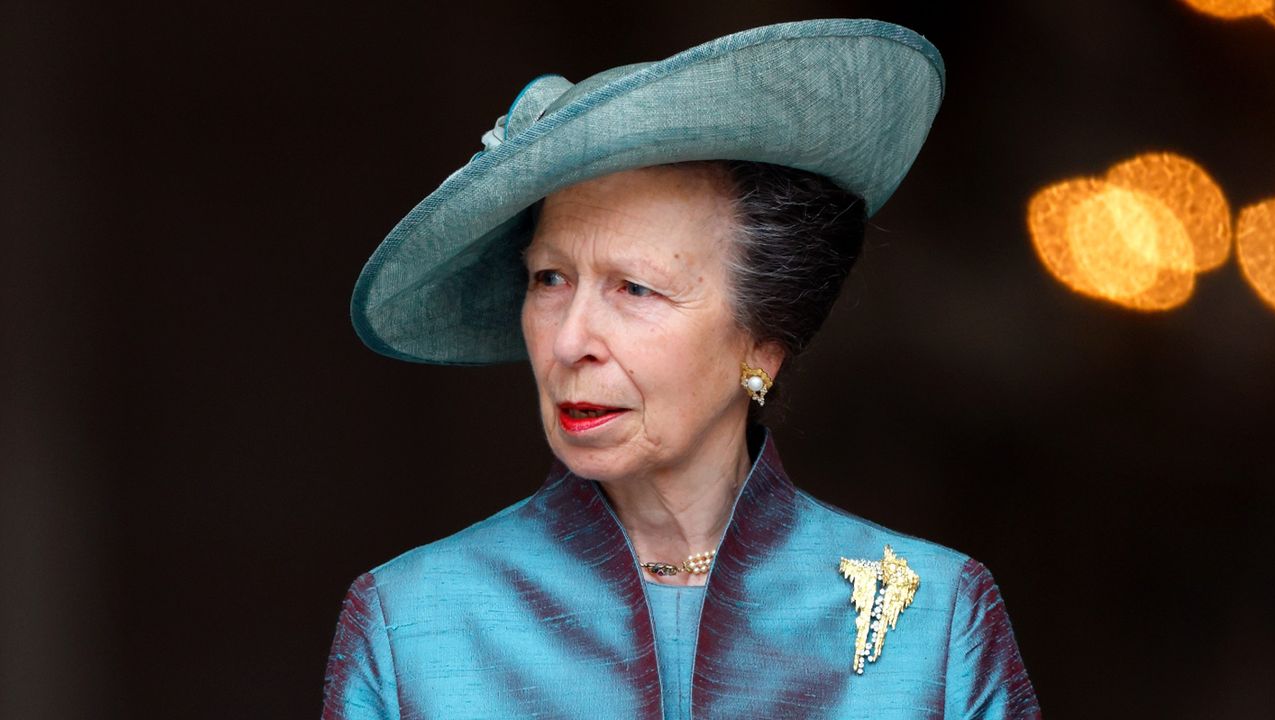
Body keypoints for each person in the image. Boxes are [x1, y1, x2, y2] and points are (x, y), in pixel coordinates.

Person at [323, 18, 1040, 720]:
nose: (571, 340)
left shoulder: (935, 624)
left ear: (762, 341)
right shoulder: (410, 625)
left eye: (634, 289)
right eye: (549, 279)